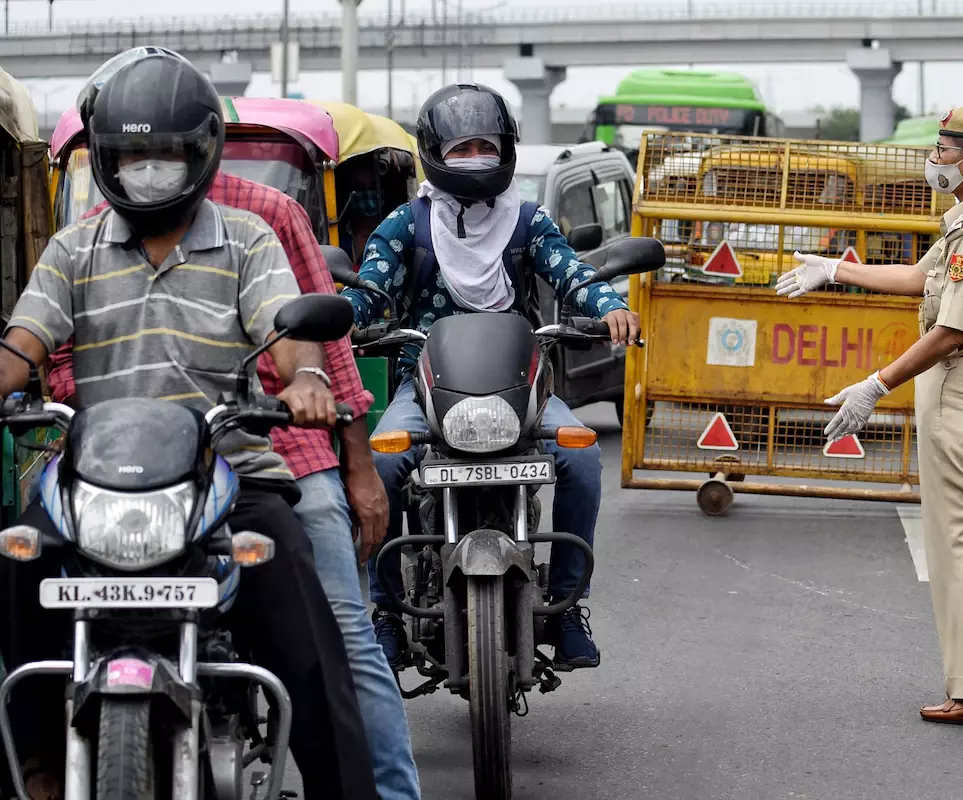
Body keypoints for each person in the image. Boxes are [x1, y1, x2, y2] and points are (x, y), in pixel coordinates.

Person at [44, 48, 423, 800]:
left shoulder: (266, 217)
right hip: (129, 471)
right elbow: (54, 354)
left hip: (271, 449)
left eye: (165, 150)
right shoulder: (84, 239)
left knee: (339, 633)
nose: (149, 166)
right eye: (133, 151)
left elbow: (327, 362)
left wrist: (354, 470)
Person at [341, 83, 640, 670]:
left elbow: (572, 272)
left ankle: (566, 604)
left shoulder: (527, 221)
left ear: (504, 149)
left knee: (581, 459)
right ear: (433, 153)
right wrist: (339, 319)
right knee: (381, 463)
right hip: (424, 388)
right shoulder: (407, 225)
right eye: (460, 148)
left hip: (523, 387)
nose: (475, 156)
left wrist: (608, 306)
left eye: (485, 144)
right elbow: (372, 291)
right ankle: (386, 610)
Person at [776, 105, 963, 726]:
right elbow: (922, 279)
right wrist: (836, 269)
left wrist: (875, 384)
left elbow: (948, 331)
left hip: (961, 392)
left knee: (956, 545)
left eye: (942, 149)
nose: (933, 158)